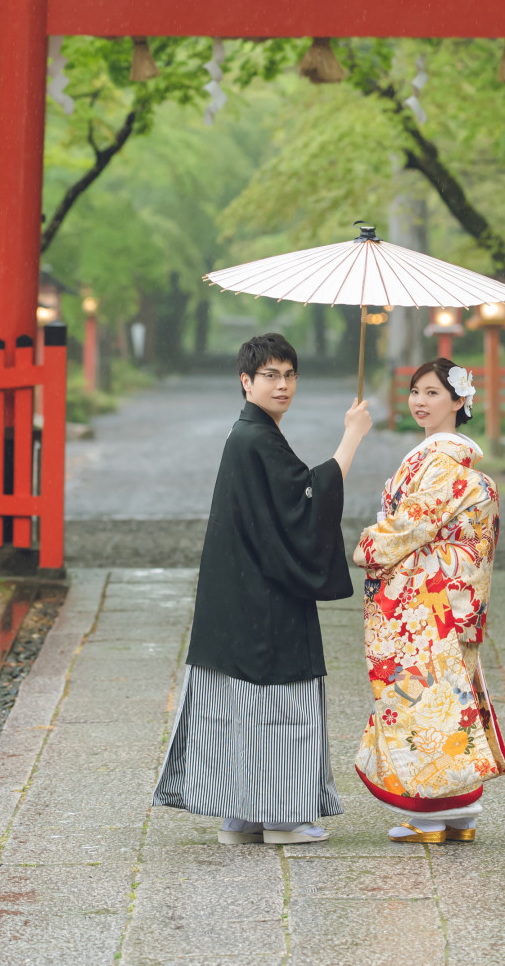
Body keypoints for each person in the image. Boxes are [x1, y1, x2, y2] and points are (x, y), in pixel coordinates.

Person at [153, 332, 373, 846]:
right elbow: (305, 502)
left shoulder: (250, 435)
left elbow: (291, 501)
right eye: (270, 375)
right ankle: (280, 818)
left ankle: (242, 815)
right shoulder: (254, 437)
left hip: (236, 596)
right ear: (245, 380)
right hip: (264, 599)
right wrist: (353, 436)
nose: (282, 385)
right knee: (276, 704)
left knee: (238, 704)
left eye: (289, 374)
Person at [352, 357, 505, 844]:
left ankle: (429, 812)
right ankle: (459, 811)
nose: (420, 402)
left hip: (424, 604)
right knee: (446, 694)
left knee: (420, 697)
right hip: (448, 600)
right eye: (415, 391)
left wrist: (367, 547)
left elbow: (410, 526)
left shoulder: (440, 463)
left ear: (460, 402)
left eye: (433, 394)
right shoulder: (445, 460)